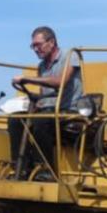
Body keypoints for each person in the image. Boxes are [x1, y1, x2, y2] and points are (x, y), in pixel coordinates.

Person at [8, 26, 82, 180]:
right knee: (15, 119)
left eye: (38, 44)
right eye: (33, 46)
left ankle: (47, 170)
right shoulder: (42, 66)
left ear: (52, 42)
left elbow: (59, 82)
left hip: (69, 111)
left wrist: (27, 79)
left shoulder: (70, 55)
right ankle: (21, 168)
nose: (35, 49)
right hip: (49, 111)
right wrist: (31, 99)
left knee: (41, 121)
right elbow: (44, 95)